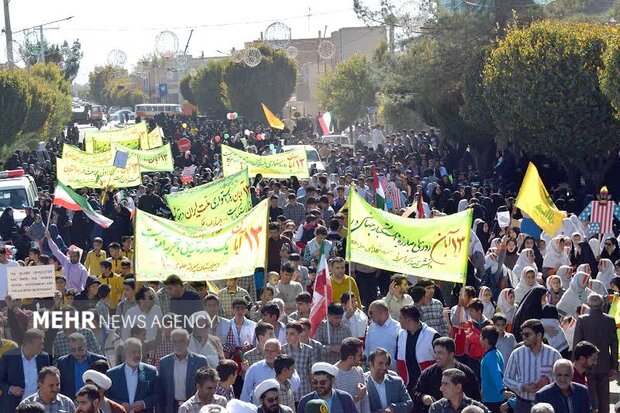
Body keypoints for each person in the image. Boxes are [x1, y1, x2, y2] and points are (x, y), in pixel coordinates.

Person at [503, 319, 561, 413]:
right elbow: (507, 378)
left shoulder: (554, 354)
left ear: (539, 335)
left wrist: (548, 381)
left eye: (527, 334)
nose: (524, 337)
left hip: (546, 405)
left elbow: (563, 378)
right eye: (523, 334)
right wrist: (521, 386)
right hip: (523, 404)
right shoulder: (517, 354)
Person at [573, 293, 618, 413]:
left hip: (586, 364)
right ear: (602, 304)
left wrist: (575, 363)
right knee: (604, 399)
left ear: (588, 304)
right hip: (604, 364)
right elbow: (614, 344)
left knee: (590, 397)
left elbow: (577, 344)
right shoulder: (609, 320)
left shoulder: (582, 320)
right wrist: (614, 366)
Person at [412, 337, 481, 412]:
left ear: (451, 354)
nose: (436, 356)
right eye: (435, 352)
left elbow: (476, 397)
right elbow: (415, 393)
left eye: (440, 353)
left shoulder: (467, 374)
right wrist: (423, 397)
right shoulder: (428, 374)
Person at [159, 328, 210, 412]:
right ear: (171, 342)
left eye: (181, 341)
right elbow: (161, 389)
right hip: (171, 408)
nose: (178, 345)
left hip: (193, 407)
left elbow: (206, 386)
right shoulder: (164, 362)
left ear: (188, 342)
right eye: (175, 341)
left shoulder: (200, 361)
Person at [0, 328, 51, 412]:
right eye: (40, 344)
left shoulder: (43, 357)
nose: (42, 347)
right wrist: (10, 388)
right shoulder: (9, 356)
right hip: (13, 407)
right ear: (28, 344)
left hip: (37, 407)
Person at [105, 338, 160, 413]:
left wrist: (144, 403)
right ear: (125, 353)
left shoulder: (151, 371)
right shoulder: (112, 374)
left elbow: (158, 394)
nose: (137, 355)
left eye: (139, 351)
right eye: (133, 352)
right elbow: (107, 397)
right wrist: (120, 404)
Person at [396, 305, 440, 393]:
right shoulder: (400, 334)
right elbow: (397, 359)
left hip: (428, 386)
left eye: (401, 317)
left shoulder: (432, 335)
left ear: (408, 319)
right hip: (408, 385)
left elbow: (441, 360)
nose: (398, 320)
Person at [240, 338, 300, 403]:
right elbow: (245, 394)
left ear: (279, 352)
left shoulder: (287, 367)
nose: (269, 354)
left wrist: (288, 375)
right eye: (266, 350)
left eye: (272, 351)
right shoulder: (254, 369)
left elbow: (295, 387)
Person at [56, 332, 106, 398]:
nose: (77, 352)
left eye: (80, 349)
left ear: (85, 345)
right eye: (73, 350)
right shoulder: (63, 362)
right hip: (71, 402)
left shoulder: (99, 360)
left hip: (94, 400)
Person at [366, 347, 413, 413]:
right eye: (380, 363)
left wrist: (393, 408)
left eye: (387, 364)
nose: (384, 367)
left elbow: (409, 404)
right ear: (370, 364)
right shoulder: (363, 383)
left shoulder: (397, 382)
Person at [281, 321, 315, 402]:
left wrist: (314, 392)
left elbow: (312, 373)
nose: (288, 336)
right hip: (288, 394)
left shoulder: (308, 350)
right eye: (287, 333)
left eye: (292, 334)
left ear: (299, 334)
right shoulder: (282, 349)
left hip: (304, 391)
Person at [334, 338, 369, 413]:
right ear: (350, 358)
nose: (362, 357)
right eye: (360, 355)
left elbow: (365, 400)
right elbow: (336, 406)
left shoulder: (359, 371)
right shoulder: (332, 375)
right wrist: (357, 398)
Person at [365, 300, 401, 369]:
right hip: (373, 372)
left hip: (391, 372)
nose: (369, 315)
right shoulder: (372, 326)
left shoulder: (397, 328)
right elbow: (367, 349)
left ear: (381, 312)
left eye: (371, 312)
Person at [479, 326, 504, 413]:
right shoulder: (496, 353)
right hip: (493, 396)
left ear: (486, 340)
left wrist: (502, 390)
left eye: (481, 337)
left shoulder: (490, 356)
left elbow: (496, 373)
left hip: (493, 399)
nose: (480, 339)